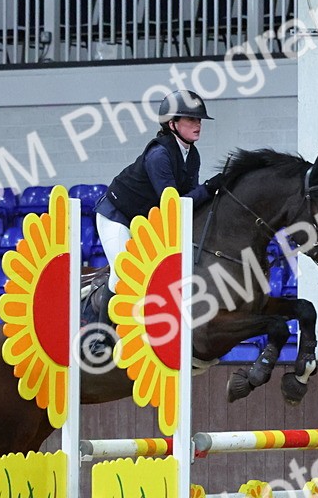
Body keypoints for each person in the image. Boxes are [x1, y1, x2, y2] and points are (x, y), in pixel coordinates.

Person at [91, 90, 221, 347]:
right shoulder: (159, 155)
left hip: (144, 222)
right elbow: (172, 205)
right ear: (172, 124)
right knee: (123, 273)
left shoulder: (191, 154)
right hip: (118, 217)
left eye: (199, 120)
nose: (198, 125)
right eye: (191, 120)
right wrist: (208, 188)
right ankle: (100, 338)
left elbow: (186, 202)